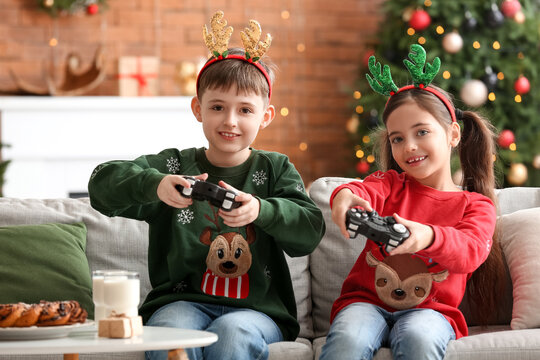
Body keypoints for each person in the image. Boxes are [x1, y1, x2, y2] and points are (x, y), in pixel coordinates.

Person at [88, 11, 325, 360]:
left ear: (266, 116)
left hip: (258, 312)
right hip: (180, 304)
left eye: (245, 110)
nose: (230, 121)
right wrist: (155, 185)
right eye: (218, 107)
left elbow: (309, 233)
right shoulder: (173, 167)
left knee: (232, 333)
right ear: (198, 109)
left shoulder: (275, 169)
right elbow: (100, 185)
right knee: (169, 334)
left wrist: (262, 209)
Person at [320, 44, 505, 360]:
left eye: (422, 132)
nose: (409, 147)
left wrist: (427, 236)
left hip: (432, 310)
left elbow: (470, 251)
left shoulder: (476, 205)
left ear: (453, 135)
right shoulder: (390, 184)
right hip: (365, 302)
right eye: (397, 138)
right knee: (348, 339)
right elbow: (360, 191)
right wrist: (346, 198)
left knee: (419, 338)